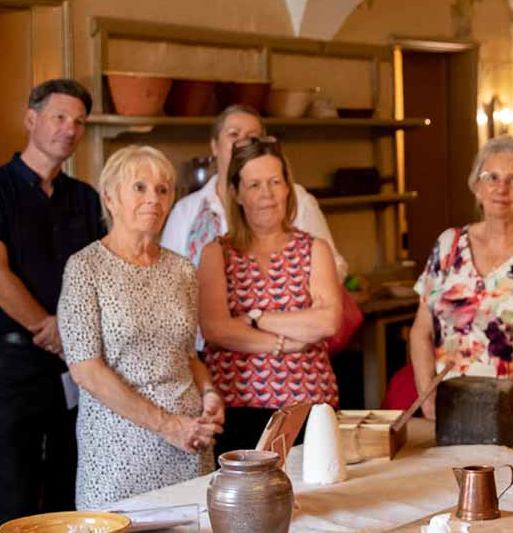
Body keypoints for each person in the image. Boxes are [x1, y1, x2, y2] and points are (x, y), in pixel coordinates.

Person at [0, 78, 103, 525]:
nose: (69, 129)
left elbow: (100, 273)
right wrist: (50, 328)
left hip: (76, 367)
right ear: (31, 119)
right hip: (14, 365)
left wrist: (69, 337)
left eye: (79, 122)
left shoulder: (85, 197)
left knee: (70, 491)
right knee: (14, 496)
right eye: (60, 117)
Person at [59, 145, 223, 509]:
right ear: (110, 198)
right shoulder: (85, 268)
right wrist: (168, 426)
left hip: (188, 445)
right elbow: (86, 371)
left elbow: (186, 355)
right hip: (119, 454)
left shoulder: (181, 270)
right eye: (139, 187)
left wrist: (210, 394)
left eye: (163, 190)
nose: (154, 199)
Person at [408, 136, 513, 427]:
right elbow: (420, 332)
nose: (501, 188)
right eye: (492, 177)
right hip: (454, 417)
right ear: (477, 187)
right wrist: (427, 396)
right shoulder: (448, 246)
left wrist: (496, 401)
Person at [195, 137, 343, 454]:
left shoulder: (314, 249)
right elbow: (216, 329)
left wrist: (255, 318)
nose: (267, 194)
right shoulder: (216, 254)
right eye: (254, 185)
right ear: (235, 193)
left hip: (309, 406)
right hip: (237, 406)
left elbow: (328, 321)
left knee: (315, 499)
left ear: (288, 188)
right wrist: (286, 342)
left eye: (275, 182)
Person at [161, 105, 347, 277]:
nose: (242, 142)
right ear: (215, 146)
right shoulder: (185, 211)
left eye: (252, 137)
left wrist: (290, 295)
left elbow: (335, 268)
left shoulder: (295, 198)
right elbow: (166, 278)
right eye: (233, 134)